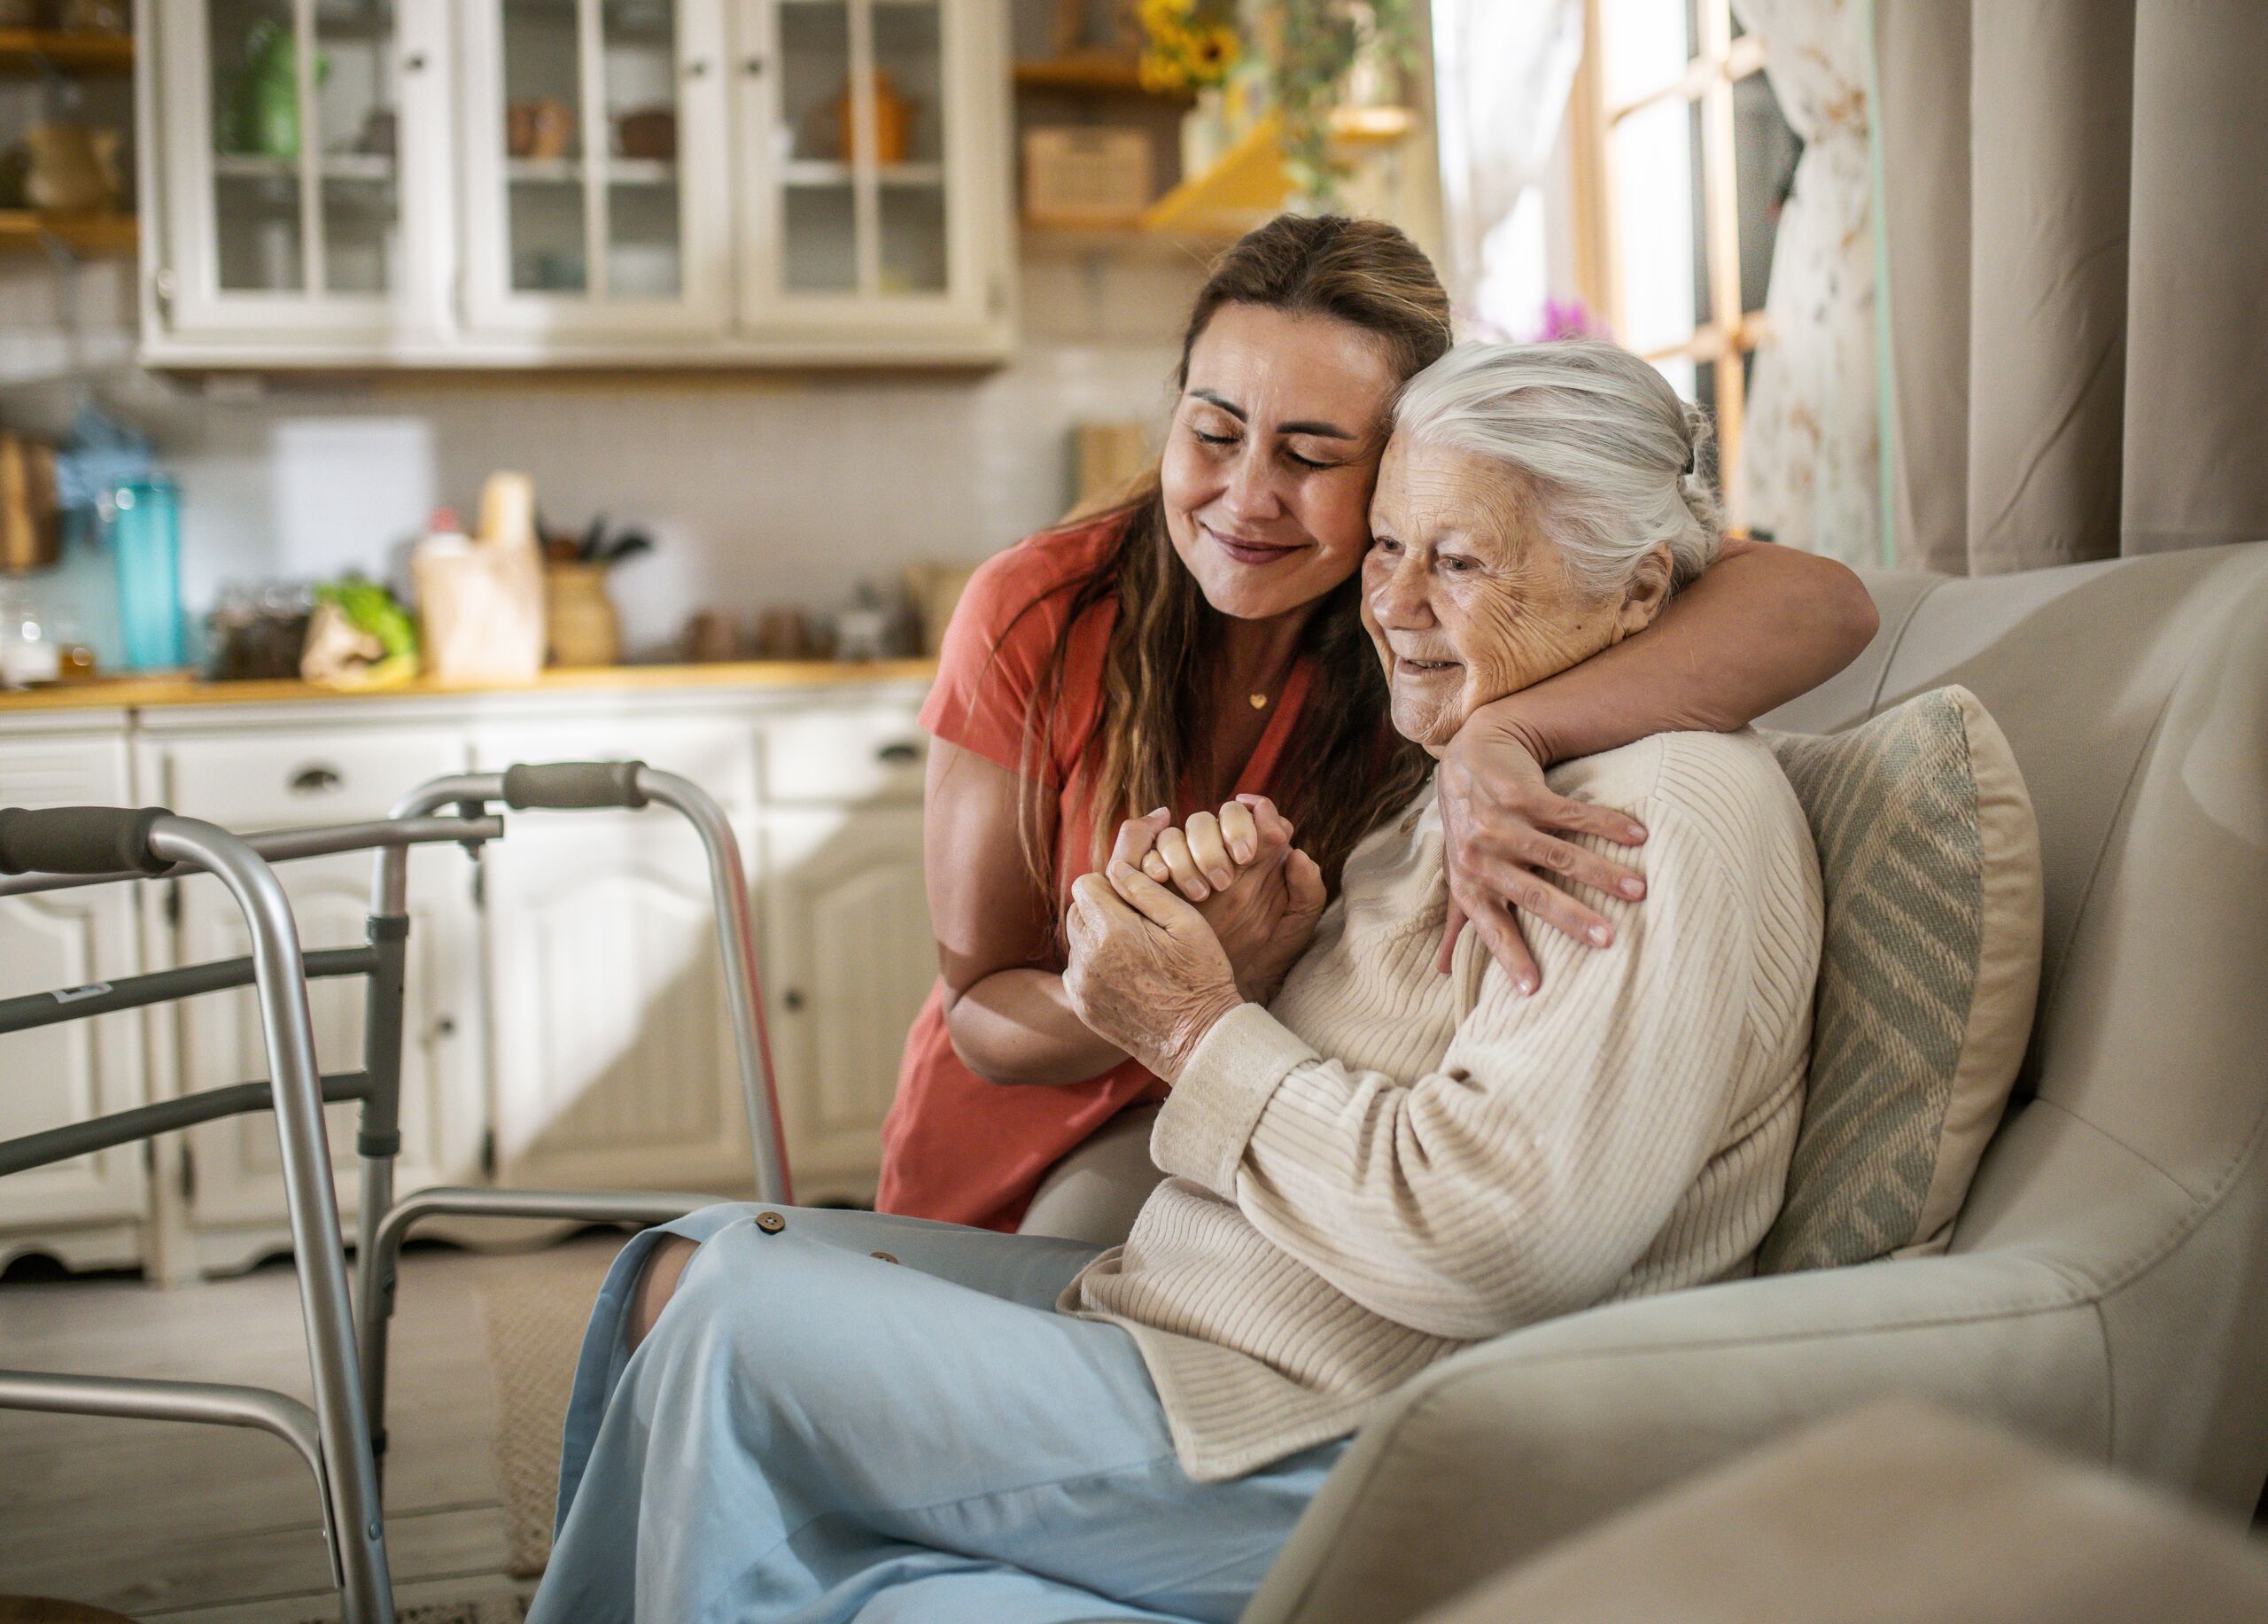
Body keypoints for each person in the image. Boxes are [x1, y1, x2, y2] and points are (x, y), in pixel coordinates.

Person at [527, 338, 1825, 1624]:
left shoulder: (1654, 819)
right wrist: (1232, 952)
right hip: (1191, 1334)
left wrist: (1199, 1026)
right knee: (687, 1261)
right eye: (1387, 546)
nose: (1395, 602)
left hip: (1316, 1428)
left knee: (736, 1323)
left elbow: (1497, 1236)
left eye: (1463, 560)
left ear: (1642, 590)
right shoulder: (1490, 771)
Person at [882, 214, 1871, 1239]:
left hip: (1255, 1145)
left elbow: (1822, 604)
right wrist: (1159, 984)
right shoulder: (1042, 611)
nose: (1245, 498)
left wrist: (1507, 734)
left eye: (1311, 454)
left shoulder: (1420, 632)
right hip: (1007, 1152)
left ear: (1400, 463)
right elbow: (979, 1014)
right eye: (1212, 434)